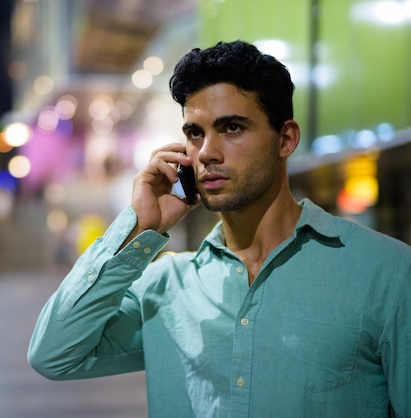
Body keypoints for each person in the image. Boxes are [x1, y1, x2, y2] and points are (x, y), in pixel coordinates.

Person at [28, 40, 411, 417]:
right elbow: (54, 354)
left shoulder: (387, 273)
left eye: (231, 128)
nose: (206, 152)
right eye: (195, 133)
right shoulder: (165, 287)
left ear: (286, 139)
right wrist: (137, 228)